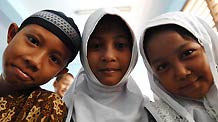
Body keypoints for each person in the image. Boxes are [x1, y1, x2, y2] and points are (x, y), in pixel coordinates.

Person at [63, 8, 150, 122]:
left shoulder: (153, 113)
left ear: (132, 52)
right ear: (84, 52)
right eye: (96, 46)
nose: (109, 56)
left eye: (120, 45)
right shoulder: (62, 112)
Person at [0, 9, 81, 121]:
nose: (35, 61)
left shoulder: (46, 106)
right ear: (12, 34)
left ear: (58, 73)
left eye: (54, 59)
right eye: (33, 41)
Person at [140, 11, 218, 122]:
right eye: (163, 67)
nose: (181, 73)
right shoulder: (157, 118)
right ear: (156, 78)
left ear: (208, 48)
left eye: (187, 53)